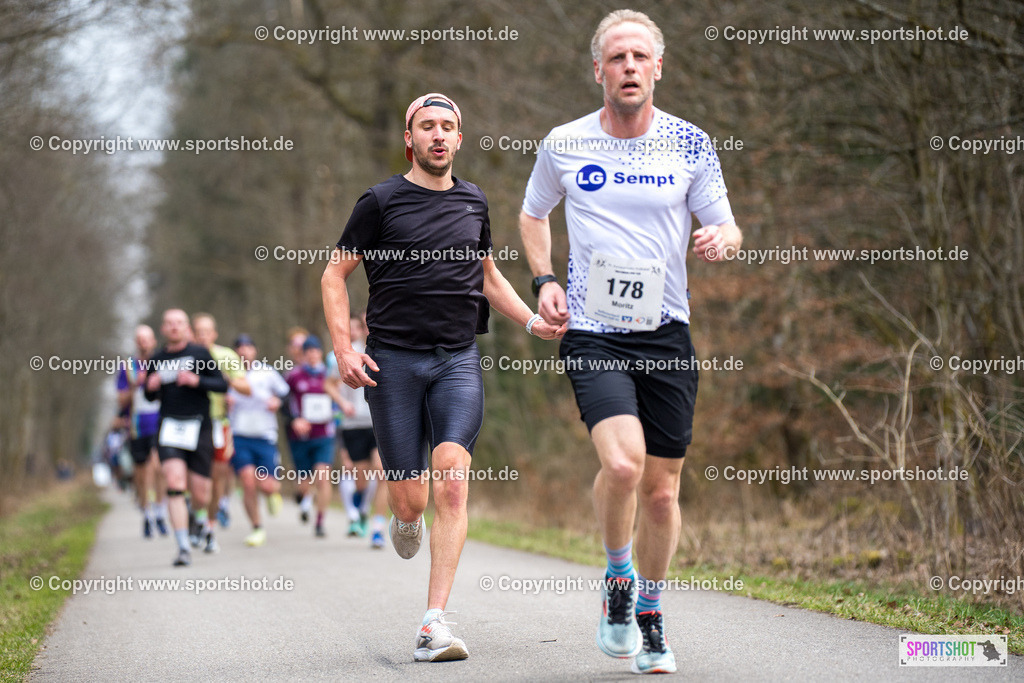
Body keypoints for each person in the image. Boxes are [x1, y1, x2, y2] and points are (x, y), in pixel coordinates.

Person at [518, 10, 744, 674]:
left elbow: (729, 228)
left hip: (667, 332)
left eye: (640, 57)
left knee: (662, 492)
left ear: (658, 68)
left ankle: (650, 609)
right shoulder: (565, 143)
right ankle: (618, 580)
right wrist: (543, 280)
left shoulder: (691, 143)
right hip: (593, 331)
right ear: (598, 70)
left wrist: (718, 240)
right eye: (616, 58)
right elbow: (534, 214)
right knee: (623, 465)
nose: (628, 67)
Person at [322, 92, 565, 663]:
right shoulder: (380, 201)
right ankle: (403, 515)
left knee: (452, 478)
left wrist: (530, 320)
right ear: (410, 139)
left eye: (447, 126)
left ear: (459, 139)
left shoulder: (475, 201)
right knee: (411, 501)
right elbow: (335, 275)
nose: (437, 135)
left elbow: (486, 275)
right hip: (393, 363)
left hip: (457, 357)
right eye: (426, 126)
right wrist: (342, 350)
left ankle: (433, 623)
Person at [145, 308, 230, 566]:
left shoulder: (199, 353)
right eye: (169, 323)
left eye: (179, 323)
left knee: (201, 494)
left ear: (186, 328)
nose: (173, 327)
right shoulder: (157, 359)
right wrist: (150, 386)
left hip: (200, 427)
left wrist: (197, 381)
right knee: (174, 482)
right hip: (169, 427)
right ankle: (182, 547)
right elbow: (149, 396)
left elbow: (222, 385)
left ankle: (195, 517)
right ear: (163, 329)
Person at [192, 313, 250, 543]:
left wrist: (228, 382)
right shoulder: (186, 356)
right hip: (192, 423)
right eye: (199, 331)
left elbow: (246, 387)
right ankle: (196, 515)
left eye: (207, 331)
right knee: (195, 478)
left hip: (217, 423)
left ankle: (209, 524)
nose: (203, 336)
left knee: (217, 477)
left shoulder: (226, 355)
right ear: (192, 333)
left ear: (214, 334)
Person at [331, 314, 387, 546]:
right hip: (353, 424)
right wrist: (342, 403)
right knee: (361, 479)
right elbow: (328, 383)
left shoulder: (388, 351)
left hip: (378, 422)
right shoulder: (348, 353)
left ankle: (378, 527)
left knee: (381, 472)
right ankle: (360, 511)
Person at [228, 334, 288, 547]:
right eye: (239, 348)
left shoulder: (267, 371)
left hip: (264, 435)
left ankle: (273, 493)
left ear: (254, 350)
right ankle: (256, 528)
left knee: (267, 485)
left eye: (248, 347)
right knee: (247, 481)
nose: (244, 352)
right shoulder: (229, 375)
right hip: (239, 435)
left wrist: (277, 402)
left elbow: (285, 394)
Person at [283, 334, 343, 538]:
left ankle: (319, 521)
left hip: (324, 434)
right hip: (300, 436)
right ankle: (302, 497)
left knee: (323, 476)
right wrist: (295, 419)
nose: (312, 355)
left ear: (319, 353)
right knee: (303, 481)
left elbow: (337, 401)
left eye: (315, 351)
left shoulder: (329, 375)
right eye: (307, 352)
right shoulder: (293, 376)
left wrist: (336, 417)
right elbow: (284, 402)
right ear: (303, 354)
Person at [115, 324, 168, 538]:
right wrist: (135, 386)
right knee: (141, 472)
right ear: (136, 342)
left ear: (154, 341)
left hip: (161, 421)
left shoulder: (163, 361)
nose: (143, 342)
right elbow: (120, 399)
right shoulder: (128, 366)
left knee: (158, 466)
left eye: (147, 338)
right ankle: (146, 513)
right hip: (137, 425)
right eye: (139, 339)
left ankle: (160, 511)